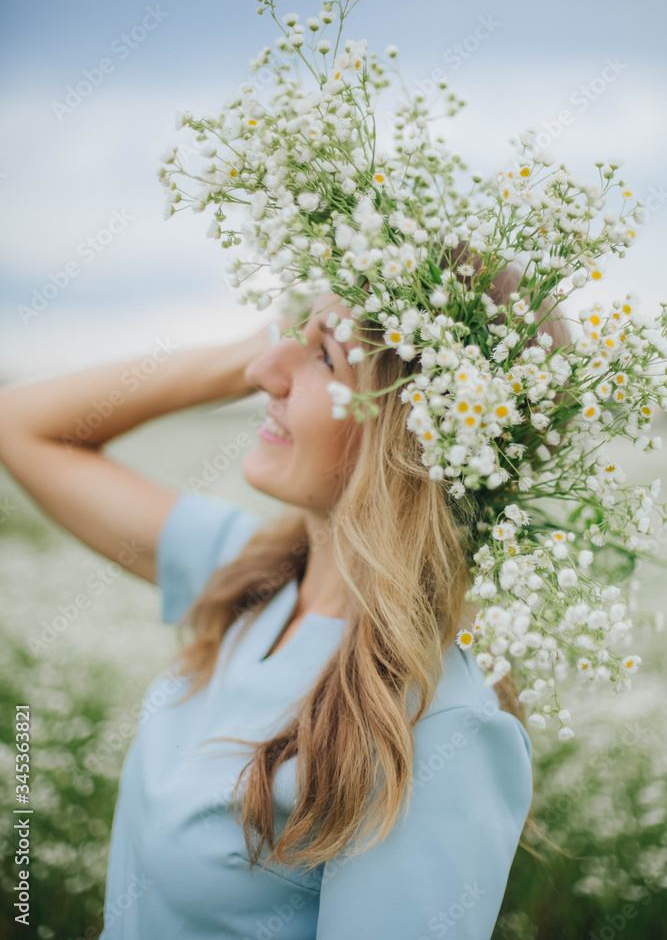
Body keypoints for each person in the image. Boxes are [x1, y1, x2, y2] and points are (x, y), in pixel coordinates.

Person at [0, 282, 538, 939]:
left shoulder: (436, 729)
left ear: (413, 434)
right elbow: (17, 424)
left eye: (323, 360)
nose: (261, 373)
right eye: (288, 334)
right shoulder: (249, 574)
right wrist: (255, 346)